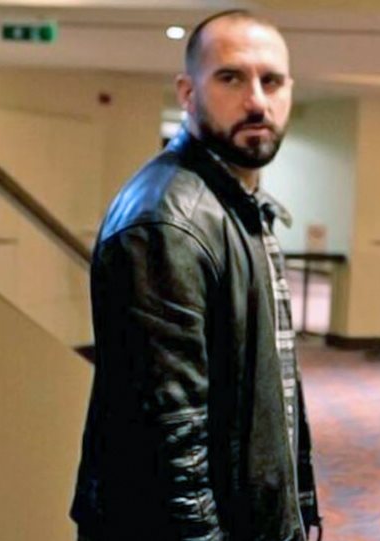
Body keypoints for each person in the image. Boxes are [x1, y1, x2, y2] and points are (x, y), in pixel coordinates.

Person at [70, 10, 320, 541]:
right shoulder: (167, 221)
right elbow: (171, 443)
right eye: (231, 78)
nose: (257, 101)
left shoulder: (237, 203)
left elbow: (273, 395)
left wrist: (299, 508)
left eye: (271, 81)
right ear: (187, 92)